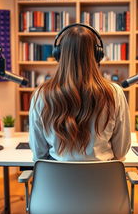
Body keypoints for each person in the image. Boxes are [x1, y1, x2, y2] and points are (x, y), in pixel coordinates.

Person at [29, 24, 131, 161]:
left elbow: (38, 154)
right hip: (104, 181)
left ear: (59, 54)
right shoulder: (115, 93)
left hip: (57, 181)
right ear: (97, 54)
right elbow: (121, 151)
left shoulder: (41, 95)